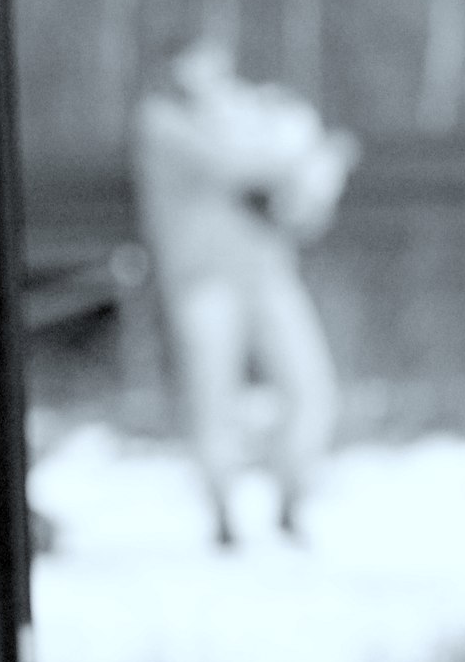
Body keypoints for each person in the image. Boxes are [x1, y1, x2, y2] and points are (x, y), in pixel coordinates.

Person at [132, 43, 358, 547]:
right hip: (202, 283)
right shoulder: (164, 122)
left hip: (268, 277)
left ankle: (292, 498)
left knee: (311, 387)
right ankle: (222, 511)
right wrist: (309, 154)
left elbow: (298, 212)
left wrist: (314, 176)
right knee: (213, 397)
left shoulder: (251, 116)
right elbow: (231, 165)